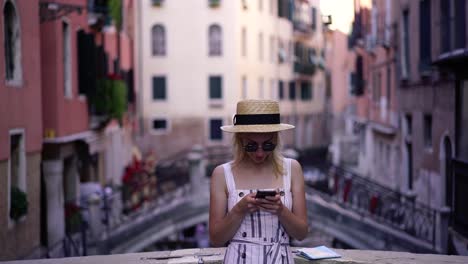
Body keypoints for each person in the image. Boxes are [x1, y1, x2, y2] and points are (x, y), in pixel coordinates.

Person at [209, 99, 308, 263]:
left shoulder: (293, 169)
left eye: (268, 145)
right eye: (252, 146)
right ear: (240, 140)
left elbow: (301, 233)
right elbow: (216, 238)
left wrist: (281, 210)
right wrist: (239, 210)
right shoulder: (222, 174)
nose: (260, 153)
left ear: (276, 140)